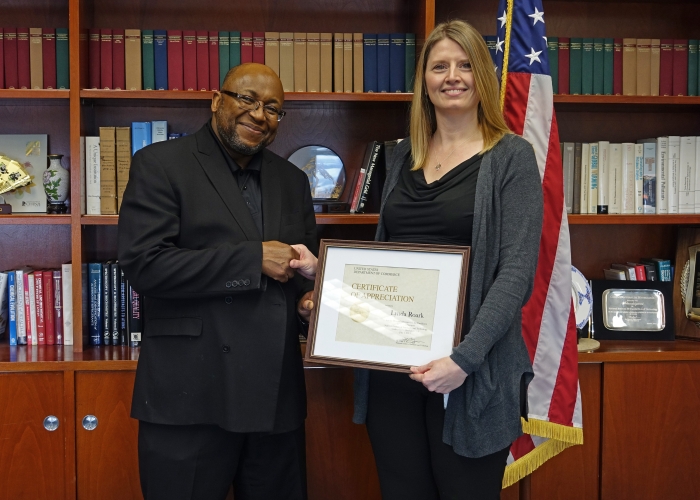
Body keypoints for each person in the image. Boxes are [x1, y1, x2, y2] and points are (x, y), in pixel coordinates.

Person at [292, 19, 544, 500]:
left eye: (466, 65)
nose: (453, 76)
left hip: (472, 372)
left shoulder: (511, 157)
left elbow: (514, 276)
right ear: (424, 81)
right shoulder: (403, 156)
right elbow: (390, 266)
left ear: (483, 78)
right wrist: (324, 277)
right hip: (393, 369)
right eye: (440, 66)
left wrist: (462, 361)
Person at [118, 63, 317, 500]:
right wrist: (251, 259)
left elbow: (301, 274)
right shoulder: (160, 164)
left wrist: (308, 303)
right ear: (216, 100)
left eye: (273, 108)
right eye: (246, 99)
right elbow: (144, 265)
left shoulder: (293, 181)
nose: (259, 115)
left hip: (274, 398)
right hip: (190, 396)